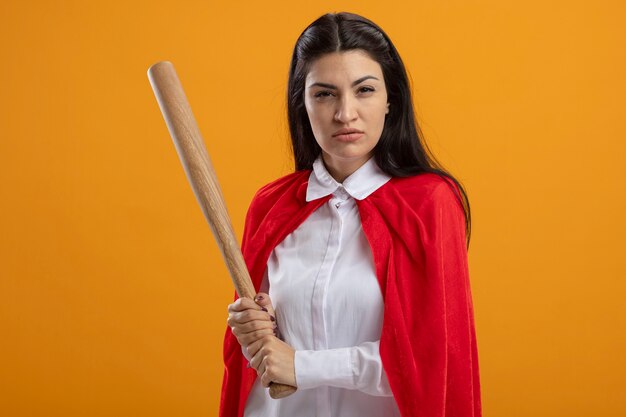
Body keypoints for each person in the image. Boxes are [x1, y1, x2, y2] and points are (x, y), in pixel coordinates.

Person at [221, 11, 481, 417]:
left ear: (390, 99)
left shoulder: (430, 204)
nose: (345, 113)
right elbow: (262, 358)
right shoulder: (272, 206)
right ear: (302, 105)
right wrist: (253, 330)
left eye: (364, 90)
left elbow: (430, 363)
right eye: (324, 94)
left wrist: (302, 365)